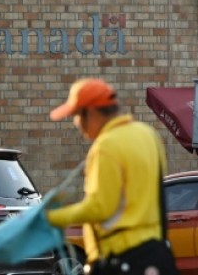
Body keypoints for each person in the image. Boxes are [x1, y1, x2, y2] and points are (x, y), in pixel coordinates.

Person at [45, 78, 178, 275]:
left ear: (89, 112)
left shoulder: (106, 146)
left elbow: (100, 207)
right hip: (155, 254)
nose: (76, 124)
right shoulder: (148, 135)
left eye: (75, 116)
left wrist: (50, 217)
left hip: (121, 258)